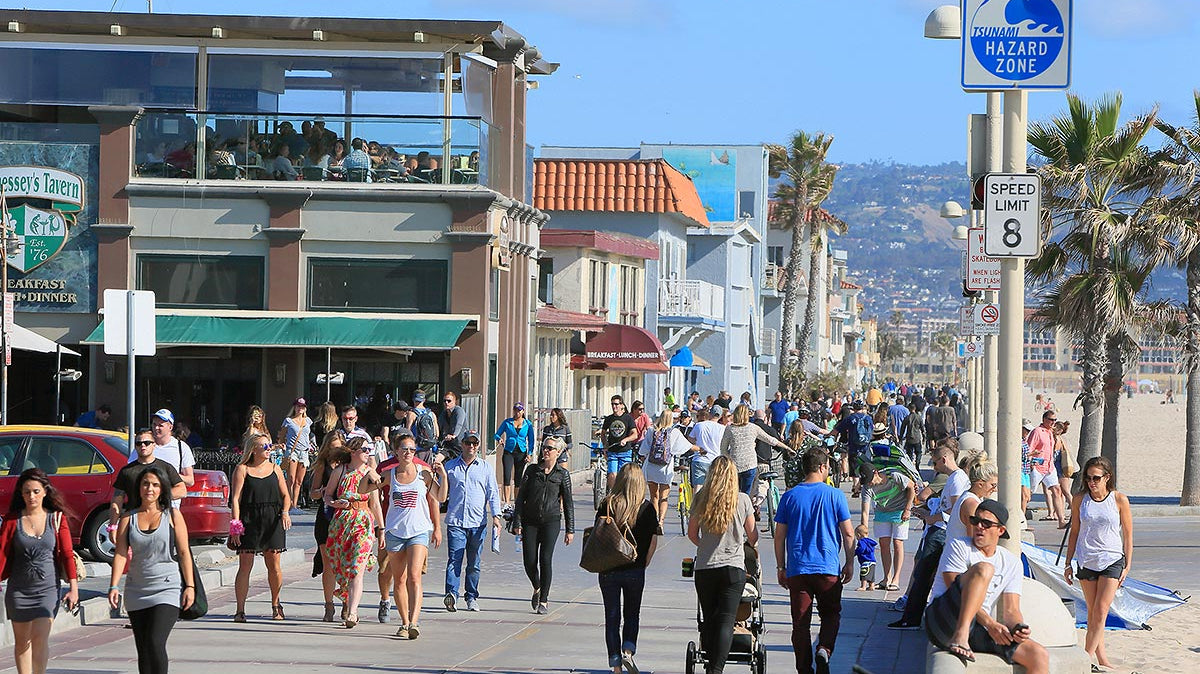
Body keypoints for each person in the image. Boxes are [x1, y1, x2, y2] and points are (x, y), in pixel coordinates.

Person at [924, 500, 1049, 672]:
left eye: (986, 523)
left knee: (1038, 654)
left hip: (978, 627)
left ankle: (966, 635)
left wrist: (1018, 628)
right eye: (975, 521)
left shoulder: (1012, 562)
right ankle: (961, 634)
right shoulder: (958, 545)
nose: (979, 527)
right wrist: (990, 624)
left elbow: (1011, 610)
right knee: (985, 569)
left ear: (1001, 530)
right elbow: (955, 588)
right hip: (943, 617)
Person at [107, 465, 195, 674]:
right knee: (143, 648)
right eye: (146, 483)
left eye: (155, 485)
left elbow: (184, 553)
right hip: (137, 589)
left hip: (167, 588)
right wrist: (113, 586)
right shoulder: (128, 518)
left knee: (155, 641)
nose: (150, 488)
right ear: (139, 487)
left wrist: (189, 586)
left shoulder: (172, 516)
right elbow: (120, 553)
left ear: (162, 489)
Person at [773, 449, 854, 674]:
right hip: (827, 567)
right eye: (827, 466)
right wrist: (849, 562)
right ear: (821, 467)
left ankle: (804, 669)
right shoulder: (835, 495)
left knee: (800, 624)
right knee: (830, 614)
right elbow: (848, 534)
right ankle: (824, 649)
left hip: (798, 568)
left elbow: (779, 536)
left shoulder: (789, 496)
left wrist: (781, 567)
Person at [0, 469, 79, 674]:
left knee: (39, 638)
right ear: (21, 494)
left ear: (45, 491)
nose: (31, 496)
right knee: (21, 643)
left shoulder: (56, 519)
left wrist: (73, 588)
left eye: (35, 491)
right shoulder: (11, 521)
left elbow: (68, 555)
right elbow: (1, 554)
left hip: (48, 590)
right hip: (18, 590)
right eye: (27, 492)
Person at [686, 456, 757, 674]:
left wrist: (706, 545)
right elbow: (753, 536)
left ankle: (709, 662)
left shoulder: (700, 498)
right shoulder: (743, 500)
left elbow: (691, 533)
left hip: (706, 567)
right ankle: (715, 670)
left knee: (710, 619)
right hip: (733, 568)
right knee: (727, 621)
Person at [890, 439, 968, 629]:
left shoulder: (957, 479)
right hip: (938, 528)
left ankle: (911, 618)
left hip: (940, 532)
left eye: (935, 462)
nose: (934, 466)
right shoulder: (954, 478)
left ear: (944, 459)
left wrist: (933, 518)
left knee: (923, 574)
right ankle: (913, 616)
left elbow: (956, 508)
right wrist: (927, 512)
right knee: (925, 574)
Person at [1064, 457, 1133, 671]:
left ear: (1107, 478)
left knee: (1101, 611)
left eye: (1096, 478)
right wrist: (1068, 563)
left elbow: (1128, 535)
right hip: (1086, 559)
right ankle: (1102, 659)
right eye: (1088, 478)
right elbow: (1074, 531)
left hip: (1112, 559)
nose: (1092, 482)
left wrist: (1127, 564)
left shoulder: (1119, 500)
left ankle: (1084, 658)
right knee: (1093, 612)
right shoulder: (1079, 499)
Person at [375, 433, 446, 639]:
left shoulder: (423, 470)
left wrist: (437, 527)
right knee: (397, 579)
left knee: (414, 576)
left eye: (412, 449)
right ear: (396, 450)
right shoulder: (387, 470)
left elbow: (437, 498)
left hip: (419, 530)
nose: (408, 453)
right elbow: (371, 493)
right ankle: (404, 622)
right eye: (404, 449)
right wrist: (380, 527)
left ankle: (414, 622)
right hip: (394, 530)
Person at [595, 464, 658, 674]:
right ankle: (628, 650)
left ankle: (616, 666)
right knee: (632, 613)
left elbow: (598, 534)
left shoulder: (607, 504)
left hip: (609, 568)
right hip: (635, 569)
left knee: (612, 616)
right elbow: (652, 541)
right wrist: (644, 563)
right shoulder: (647, 508)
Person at [229, 432, 292, 622]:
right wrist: (235, 526)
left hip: (272, 519)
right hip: (250, 519)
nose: (269, 449)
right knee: (245, 564)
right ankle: (240, 609)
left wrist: (286, 512)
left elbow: (286, 495)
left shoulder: (276, 468)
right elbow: (236, 499)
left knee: (274, 564)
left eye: (270, 445)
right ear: (254, 449)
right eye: (264, 446)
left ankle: (276, 604)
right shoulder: (242, 469)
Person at [323, 436, 384, 628]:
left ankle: (352, 612)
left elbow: (375, 504)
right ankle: (345, 603)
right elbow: (327, 495)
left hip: (363, 522)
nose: (367, 453)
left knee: (357, 569)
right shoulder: (340, 471)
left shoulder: (370, 473)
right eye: (364, 450)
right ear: (353, 452)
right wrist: (333, 503)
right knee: (341, 567)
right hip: (342, 522)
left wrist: (381, 529)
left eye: (369, 450)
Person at [512, 436, 575, 614]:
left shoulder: (562, 475)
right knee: (529, 561)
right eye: (544, 447)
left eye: (549, 448)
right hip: (530, 521)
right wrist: (517, 521)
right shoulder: (531, 471)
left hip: (551, 521)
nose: (545, 451)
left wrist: (570, 529)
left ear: (558, 452)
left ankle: (544, 600)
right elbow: (521, 498)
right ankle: (537, 587)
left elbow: (568, 503)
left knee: (545, 559)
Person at [442, 431, 502, 612]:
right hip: (456, 522)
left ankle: (471, 596)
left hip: (478, 523)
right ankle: (451, 595)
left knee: (474, 563)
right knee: (454, 560)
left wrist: (496, 516)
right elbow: (440, 493)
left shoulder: (485, 467)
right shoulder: (451, 467)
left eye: (475, 444)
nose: (471, 447)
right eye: (468, 443)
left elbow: (493, 493)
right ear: (462, 444)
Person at [109, 429, 187, 532]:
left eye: (147, 443)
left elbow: (182, 490)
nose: (143, 446)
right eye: (138, 443)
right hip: (134, 521)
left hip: (160, 520)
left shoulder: (165, 467)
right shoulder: (127, 471)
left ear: (154, 445)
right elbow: (117, 500)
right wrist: (113, 526)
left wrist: (158, 496)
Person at [308, 432, 349, 622]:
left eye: (338, 447)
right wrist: (322, 491)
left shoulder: (348, 466)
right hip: (325, 516)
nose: (335, 451)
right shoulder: (323, 465)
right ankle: (329, 605)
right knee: (328, 563)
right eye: (332, 447)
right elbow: (313, 494)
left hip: (344, 516)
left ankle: (347, 602)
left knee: (344, 562)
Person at [638, 410, 698, 532]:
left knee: (654, 496)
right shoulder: (674, 432)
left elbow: (643, 450)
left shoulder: (651, 430)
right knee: (664, 498)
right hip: (665, 469)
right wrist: (700, 449)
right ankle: (661, 523)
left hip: (651, 467)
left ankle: (653, 522)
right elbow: (687, 447)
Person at [866, 458, 916, 591]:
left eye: (871, 480)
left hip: (900, 511)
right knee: (883, 544)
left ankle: (896, 578)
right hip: (882, 512)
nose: (870, 483)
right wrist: (863, 526)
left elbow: (911, 487)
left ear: (876, 473)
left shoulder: (894, 476)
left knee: (898, 542)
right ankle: (886, 578)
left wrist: (907, 509)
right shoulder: (867, 486)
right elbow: (865, 509)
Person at [720, 404, 787, 495]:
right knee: (746, 493)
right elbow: (770, 440)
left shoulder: (730, 429)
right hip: (750, 464)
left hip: (735, 465)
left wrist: (730, 458)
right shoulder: (752, 428)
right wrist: (787, 448)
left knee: (733, 492)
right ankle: (746, 506)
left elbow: (723, 449)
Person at [137, 409, 196, 489]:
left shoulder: (181, 447)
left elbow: (190, 480)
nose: (156, 428)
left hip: (171, 499)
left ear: (170, 427)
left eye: (160, 425)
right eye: (154, 424)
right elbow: (132, 471)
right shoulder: (144, 444)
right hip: (147, 499)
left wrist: (170, 474)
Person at [1027, 410, 1066, 528]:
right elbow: (1028, 448)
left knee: (1057, 491)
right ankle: (1020, 519)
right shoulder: (1037, 432)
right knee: (1028, 494)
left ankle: (1061, 520)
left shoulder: (1050, 432)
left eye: (1054, 420)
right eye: (1050, 420)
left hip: (1049, 467)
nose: (1053, 422)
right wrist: (1032, 462)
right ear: (1044, 419)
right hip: (1037, 466)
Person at [494, 402, 536, 507]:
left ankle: (517, 500)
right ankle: (507, 502)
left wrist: (530, 454)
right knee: (507, 475)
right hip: (509, 451)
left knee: (518, 477)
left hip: (521, 452)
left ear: (523, 411)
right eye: (515, 410)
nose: (517, 412)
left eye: (519, 410)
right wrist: (499, 439)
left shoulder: (528, 424)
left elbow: (531, 440)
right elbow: (497, 434)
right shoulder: (507, 422)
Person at [278, 398, 314, 515]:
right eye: (298, 406)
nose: (300, 409)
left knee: (299, 481)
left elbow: (308, 435)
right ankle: (288, 503)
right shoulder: (288, 421)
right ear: (294, 407)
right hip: (292, 451)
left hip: (304, 452)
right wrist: (282, 444)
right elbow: (282, 435)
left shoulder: (308, 421)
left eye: (302, 407)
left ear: (305, 408)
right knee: (291, 479)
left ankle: (295, 504)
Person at [599, 395, 638, 491]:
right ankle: (613, 494)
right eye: (612, 404)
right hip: (612, 451)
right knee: (612, 474)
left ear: (621, 405)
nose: (614, 406)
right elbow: (603, 434)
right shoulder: (609, 419)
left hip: (625, 451)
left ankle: (622, 494)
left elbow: (635, 434)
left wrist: (626, 440)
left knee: (624, 476)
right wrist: (605, 445)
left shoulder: (628, 418)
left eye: (616, 404)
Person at [688, 407, 724, 489]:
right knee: (713, 488)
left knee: (698, 487)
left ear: (710, 414)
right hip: (715, 460)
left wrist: (699, 443)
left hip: (699, 459)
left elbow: (690, 439)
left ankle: (696, 501)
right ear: (720, 416)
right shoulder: (722, 428)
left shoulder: (699, 425)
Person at [409, 390, 441, 463]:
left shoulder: (411, 414)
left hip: (416, 448)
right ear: (424, 400)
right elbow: (437, 433)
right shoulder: (431, 414)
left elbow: (408, 432)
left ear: (413, 399)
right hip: (430, 448)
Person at [854, 525, 878, 591]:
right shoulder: (869, 542)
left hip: (866, 561)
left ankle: (863, 586)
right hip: (872, 561)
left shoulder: (862, 541)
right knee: (871, 575)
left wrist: (855, 553)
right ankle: (871, 586)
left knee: (864, 574)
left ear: (858, 535)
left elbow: (862, 548)